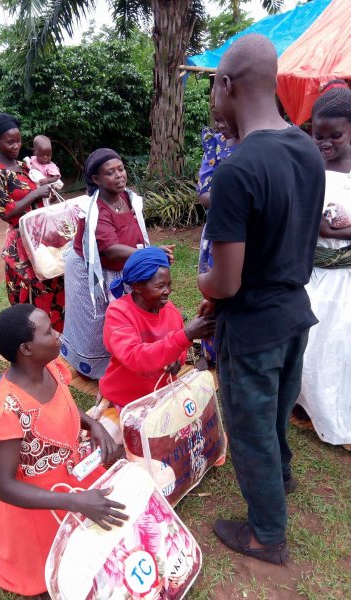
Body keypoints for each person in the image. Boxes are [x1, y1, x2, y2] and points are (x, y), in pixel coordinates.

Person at [197, 34, 325, 564]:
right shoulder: (307, 149)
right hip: (295, 314)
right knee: (275, 413)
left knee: (250, 432)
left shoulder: (236, 171)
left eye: (212, 89)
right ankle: (284, 478)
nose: (213, 103)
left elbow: (225, 283)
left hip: (251, 329)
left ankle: (266, 534)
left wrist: (205, 286)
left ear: (227, 85)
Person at [0, 304, 128, 597]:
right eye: (48, 331)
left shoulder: (49, 367)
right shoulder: (8, 408)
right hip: (41, 505)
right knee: (63, 569)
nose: (58, 333)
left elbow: (62, 404)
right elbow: (3, 487)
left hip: (74, 476)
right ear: (26, 349)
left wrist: (93, 425)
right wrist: (75, 503)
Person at [60, 148, 174, 380]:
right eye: (110, 173)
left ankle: (132, 352)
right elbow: (109, 248)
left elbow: (131, 230)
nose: (119, 175)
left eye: (120, 169)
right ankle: (91, 366)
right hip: (90, 270)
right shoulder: (96, 211)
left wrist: (146, 254)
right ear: (96, 179)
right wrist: (149, 254)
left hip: (120, 263)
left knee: (123, 313)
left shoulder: (126, 197)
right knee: (96, 317)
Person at [295, 81, 351, 448]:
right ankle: (305, 403)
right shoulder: (309, 167)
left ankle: (339, 418)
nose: (325, 143)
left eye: (336, 136)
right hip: (314, 273)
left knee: (340, 346)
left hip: (346, 276)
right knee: (311, 343)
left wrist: (345, 234)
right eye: (318, 136)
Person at [98, 247, 216, 416]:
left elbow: (179, 351)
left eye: (169, 284)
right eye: (160, 286)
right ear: (137, 286)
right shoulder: (118, 313)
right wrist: (186, 336)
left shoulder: (171, 311)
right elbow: (134, 357)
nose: (167, 291)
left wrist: (176, 361)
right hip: (124, 401)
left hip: (161, 396)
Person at [0, 113, 65, 332]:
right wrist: (35, 193)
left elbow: (41, 197)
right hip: (22, 244)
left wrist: (48, 194)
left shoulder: (26, 166)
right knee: (32, 295)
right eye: (10, 141)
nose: (16, 145)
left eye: (18, 140)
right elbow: (4, 211)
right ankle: (31, 345)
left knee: (55, 285)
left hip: (44, 239)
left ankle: (55, 344)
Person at [197, 96, 239, 368]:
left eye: (226, 117)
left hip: (246, 233)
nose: (221, 124)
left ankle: (232, 350)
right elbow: (205, 196)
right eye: (216, 118)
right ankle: (208, 351)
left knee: (238, 291)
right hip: (218, 233)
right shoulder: (213, 147)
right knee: (213, 292)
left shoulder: (256, 144)